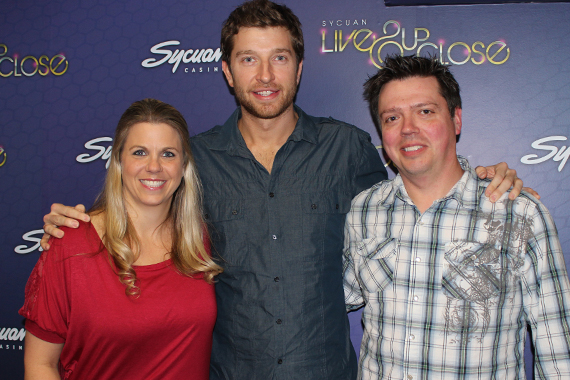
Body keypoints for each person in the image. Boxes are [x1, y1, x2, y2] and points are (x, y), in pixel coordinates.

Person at [40, 1, 527, 379]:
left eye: (279, 58)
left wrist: (478, 180)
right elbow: (138, 210)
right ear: (228, 72)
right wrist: (73, 226)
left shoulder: (349, 149)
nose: (265, 76)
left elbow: (418, 201)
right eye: (249, 59)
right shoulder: (196, 159)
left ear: (299, 68)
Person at [343, 55, 570, 380]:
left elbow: (557, 349)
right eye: (392, 117)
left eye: (425, 112)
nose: (408, 128)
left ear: (456, 120)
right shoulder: (363, 210)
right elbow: (336, 293)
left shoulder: (519, 214)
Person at [20, 99, 222, 380]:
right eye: (140, 152)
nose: (154, 166)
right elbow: (40, 365)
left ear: (184, 165)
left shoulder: (200, 242)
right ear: (118, 160)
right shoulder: (71, 245)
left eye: (168, 154)